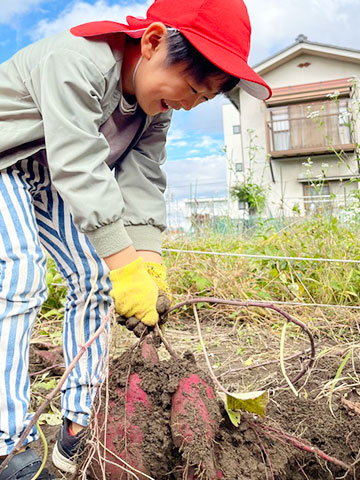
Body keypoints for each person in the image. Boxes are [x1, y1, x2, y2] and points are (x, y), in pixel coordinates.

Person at [0, 0, 271, 477]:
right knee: (21, 276)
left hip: (55, 178)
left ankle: (78, 424)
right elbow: (79, 162)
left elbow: (142, 177)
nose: (190, 103)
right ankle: (7, 441)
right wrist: (123, 263)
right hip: (9, 164)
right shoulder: (76, 61)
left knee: (96, 282)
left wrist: (146, 263)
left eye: (204, 100)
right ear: (151, 42)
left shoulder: (155, 111)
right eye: (190, 87)